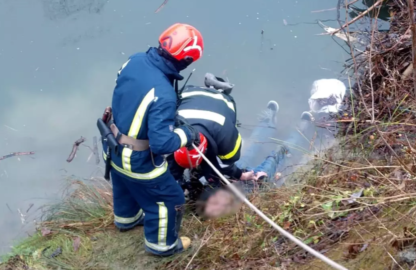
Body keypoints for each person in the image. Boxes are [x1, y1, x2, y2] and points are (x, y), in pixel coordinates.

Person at [100, 23, 204, 256]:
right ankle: (162, 246)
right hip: (136, 158)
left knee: (123, 182)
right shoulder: (164, 94)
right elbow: (161, 144)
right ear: (186, 60)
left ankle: (126, 219)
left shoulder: (134, 60)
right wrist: (186, 134)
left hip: (111, 143)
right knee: (170, 197)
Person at [167, 73, 288, 217]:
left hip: (216, 138)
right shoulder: (169, 136)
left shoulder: (224, 133)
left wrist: (240, 175)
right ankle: (278, 146)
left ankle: (274, 135)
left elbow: (227, 162)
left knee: (251, 149)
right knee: (251, 163)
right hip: (199, 136)